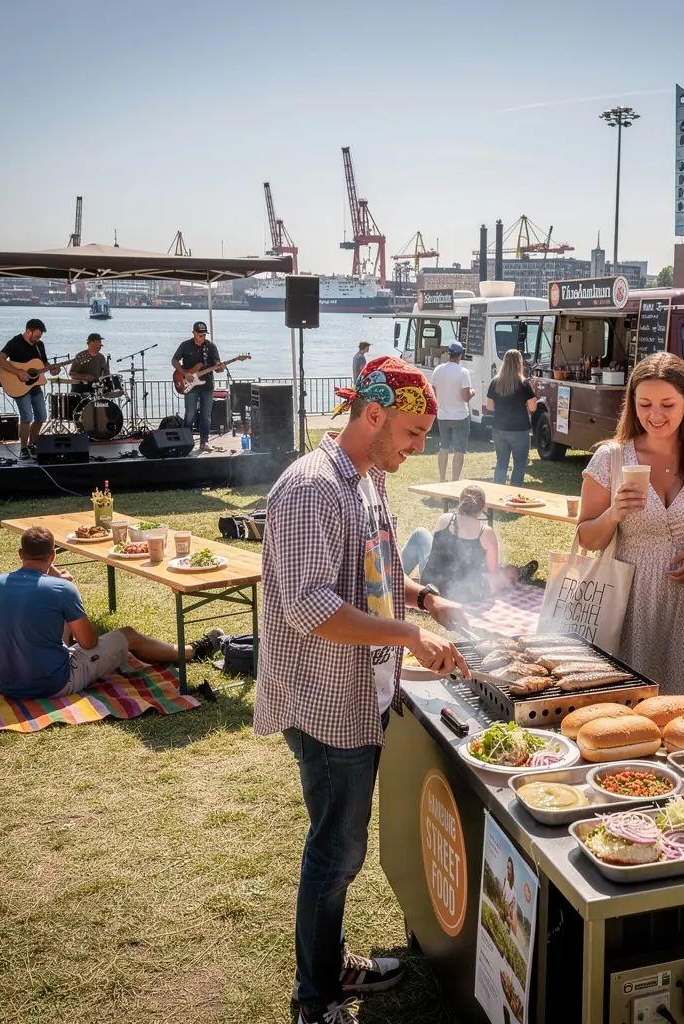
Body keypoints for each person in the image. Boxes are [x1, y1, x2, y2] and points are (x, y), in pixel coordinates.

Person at [254, 356, 470, 1024]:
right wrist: (408, 636)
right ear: (373, 415)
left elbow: (375, 568)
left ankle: (330, 962)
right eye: (413, 433)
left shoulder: (368, 477)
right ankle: (314, 998)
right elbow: (311, 607)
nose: (420, 447)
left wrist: (428, 599)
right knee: (336, 852)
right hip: (326, 703)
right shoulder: (311, 488)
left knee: (342, 847)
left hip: (362, 692)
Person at [575, 352, 684, 710]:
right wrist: (614, 513)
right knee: (629, 710)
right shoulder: (610, 458)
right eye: (645, 404)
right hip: (628, 601)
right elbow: (586, 538)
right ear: (632, 403)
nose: (655, 415)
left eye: (667, 404)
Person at [0, 526, 222, 700]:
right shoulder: (62, 589)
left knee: (54, 617)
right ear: (53, 556)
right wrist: (65, 586)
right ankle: (191, 651)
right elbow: (88, 643)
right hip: (53, 684)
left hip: (6, 682)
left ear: (20, 554)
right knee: (128, 635)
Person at [400, 485, 538, 602]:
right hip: (461, 593)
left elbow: (439, 551)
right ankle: (519, 575)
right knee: (502, 574)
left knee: (420, 532)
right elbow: (491, 569)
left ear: (460, 502)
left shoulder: (444, 519)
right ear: (482, 508)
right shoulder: (486, 532)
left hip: (430, 585)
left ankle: (395, 579)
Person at [0, 318, 61, 459]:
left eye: (40, 336)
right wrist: (18, 372)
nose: (38, 339)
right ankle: (23, 448)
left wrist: (52, 369)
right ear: (29, 331)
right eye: (36, 336)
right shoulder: (15, 342)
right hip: (18, 384)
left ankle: (32, 444)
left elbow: (43, 363)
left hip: (34, 384)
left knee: (41, 416)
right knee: (26, 417)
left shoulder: (39, 345)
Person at [487, 350, 537, 486]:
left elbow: (490, 406)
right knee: (519, 465)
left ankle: (497, 493)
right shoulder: (523, 383)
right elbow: (533, 407)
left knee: (501, 463)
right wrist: (532, 392)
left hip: (499, 428)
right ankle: (514, 493)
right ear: (519, 363)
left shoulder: (495, 381)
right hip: (519, 430)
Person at [172, 321, 223, 453]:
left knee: (206, 415)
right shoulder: (185, 345)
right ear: (194, 333)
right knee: (190, 414)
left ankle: (204, 442)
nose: (202, 338)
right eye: (200, 335)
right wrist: (185, 374)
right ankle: (186, 442)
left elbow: (217, 365)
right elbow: (174, 361)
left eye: (204, 335)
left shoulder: (211, 347)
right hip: (190, 385)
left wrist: (220, 367)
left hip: (207, 385)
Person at [431, 342, 473, 482]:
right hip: (460, 415)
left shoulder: (438, 370)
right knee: (459, 450)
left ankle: (442, 479)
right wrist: (472, 392)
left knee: (444, 447)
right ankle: (455, 480)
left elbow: (434, 393)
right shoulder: (463, 372)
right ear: (460, 355)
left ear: (449, 354)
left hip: (443, 415)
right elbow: (465, 397)